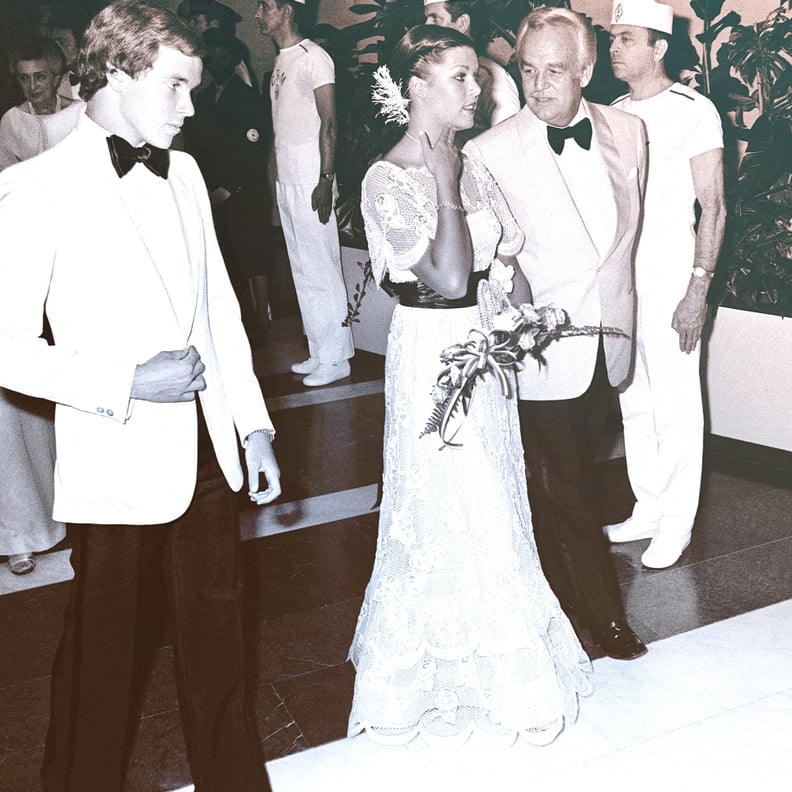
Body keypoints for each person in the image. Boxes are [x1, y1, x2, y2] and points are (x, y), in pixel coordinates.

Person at [0, 3, 281, 790]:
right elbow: (8, 348)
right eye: (176, 87)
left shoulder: (183, 170)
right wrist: (127, 381)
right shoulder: (36, 187)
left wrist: (252, 426)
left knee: (219, 650)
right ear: (117, 75)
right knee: (103, 663)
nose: (191, 108)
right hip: (115, 461)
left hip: (208, 455)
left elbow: (219, 311)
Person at [348, 24, 592, 746]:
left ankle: (509, 671)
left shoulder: (471, 164)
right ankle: (417, 679)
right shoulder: (387, 177)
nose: (476, 87)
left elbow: (500, 260)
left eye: (475, 76)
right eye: (460, 76)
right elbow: (448, 277)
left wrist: (518, 315)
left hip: (482, 354)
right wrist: (446, 184)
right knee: (446, 503)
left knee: (495, 498)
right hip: (430, 353)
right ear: (412, 87)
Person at [465, 7, 648, 660]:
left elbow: (623, 242)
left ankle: (559, 598)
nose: (538, 86)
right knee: (565, 490)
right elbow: (484, 262)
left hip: (613, 341)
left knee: (579, 487)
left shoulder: (629, 131)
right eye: (528, 70)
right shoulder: (487, 152)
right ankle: (602, 618)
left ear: (588, 70)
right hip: (542, 350)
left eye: (556, 72)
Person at [604, 0, 726, 569]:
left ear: (658, 48)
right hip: (623, 276)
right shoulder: (609, 112)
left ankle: (677, 521)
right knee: (632, 396)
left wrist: (697, 288)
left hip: (674, 271)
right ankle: (648, 506)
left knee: (676, 401)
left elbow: (716, 207)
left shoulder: (693, 110)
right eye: (612, 37)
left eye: (626, 38)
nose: (614, 48)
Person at [256, 0, 355, 386]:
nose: (258, 14)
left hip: (313, 176)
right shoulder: (283, 60)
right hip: (287, 176)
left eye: (264, 7)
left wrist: (326, 177)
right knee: (302, 267)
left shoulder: (316, 57)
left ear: (286, 10)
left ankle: (337, 359)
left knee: (322, 267)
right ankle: (320, 351)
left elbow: (330, 124)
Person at [183, 27, 273, 346]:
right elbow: (196, 148)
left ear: (234, 59)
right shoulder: (203, 99)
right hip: (214, 196)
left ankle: (262, 320)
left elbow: (252, 149)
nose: (214, 65)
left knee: (254, 256)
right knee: (226, 258)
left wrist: (228, 187)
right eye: (211, 59)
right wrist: (208, 187)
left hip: (245, 193)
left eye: (222, 59)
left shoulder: (249, 99)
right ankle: (237, 322)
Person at [423, 0, 520, 142]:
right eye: (426, 18)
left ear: (462, 23)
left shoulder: (491, 77)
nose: (426, 25)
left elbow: (509, 144)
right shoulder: (431, 73)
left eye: (435, 18)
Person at [0, 35, 83, 171]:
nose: (32, 86)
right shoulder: (12, 120)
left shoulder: (79, 113)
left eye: (40, 77)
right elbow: (6, 172)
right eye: (24, 78)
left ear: (56, 78)